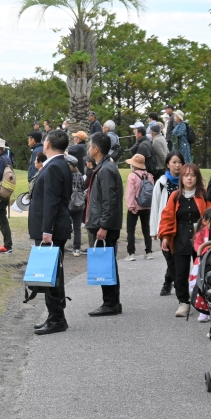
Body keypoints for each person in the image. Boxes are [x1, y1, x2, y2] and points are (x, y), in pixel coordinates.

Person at [28, 130, 73, 335]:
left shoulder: (55, 166)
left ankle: (56, 318)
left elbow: (52, 201)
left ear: (47, 144)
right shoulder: (58, 164)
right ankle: (54, 316)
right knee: (51, 273)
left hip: (52, 230)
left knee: (52, 274)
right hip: (52, 228)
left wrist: (48, 230)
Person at [158, 163, 210, 317]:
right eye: (186, 175)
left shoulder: (204, 194)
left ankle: (203, 302)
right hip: (180, 238)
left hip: (200, 239)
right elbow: (167, 217)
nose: (189, 178)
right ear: (181, 178)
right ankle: (184, 302)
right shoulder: (175, 196)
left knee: (202, 271)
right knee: (180, 273)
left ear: (197, 177)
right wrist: (166, 237)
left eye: (192, 175)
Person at [85, 132, 124, 316]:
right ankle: (111, 302)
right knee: (106, 263)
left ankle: (110, 303)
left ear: (96, 148)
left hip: (105, 226)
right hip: (102, 223)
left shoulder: (106, 169)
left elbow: (109, 201)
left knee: (106, 263)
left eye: (90, 145)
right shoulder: (104, 167)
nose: (88, 148)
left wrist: (103, 226)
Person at [150, 151, 183, 296]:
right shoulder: (162, 183)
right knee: (170, 258)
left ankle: (168, 281)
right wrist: (154, 230)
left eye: (179, 162)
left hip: (182, 226)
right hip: (166, 227)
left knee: (176, 258)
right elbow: (155, 206)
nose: (177, 165)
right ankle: (178, 288)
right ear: (168, 164)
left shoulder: (187, 181)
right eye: (174, 162)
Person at [124, 153, 154, 261]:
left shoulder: (132, 176)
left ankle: (131, 253)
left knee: (130, 230)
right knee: (146, 228)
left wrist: (131, 206)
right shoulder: (149, 176)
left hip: (135, 207)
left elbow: (130, 193)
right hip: (147, 206)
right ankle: (149, 251)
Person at [67, 154, 86, 256]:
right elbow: (82, 188)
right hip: (79, 204)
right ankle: (76, 249)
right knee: (77, 228)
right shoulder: (80, 175)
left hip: (70, 203)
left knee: (66, 224)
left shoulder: (67, 175)